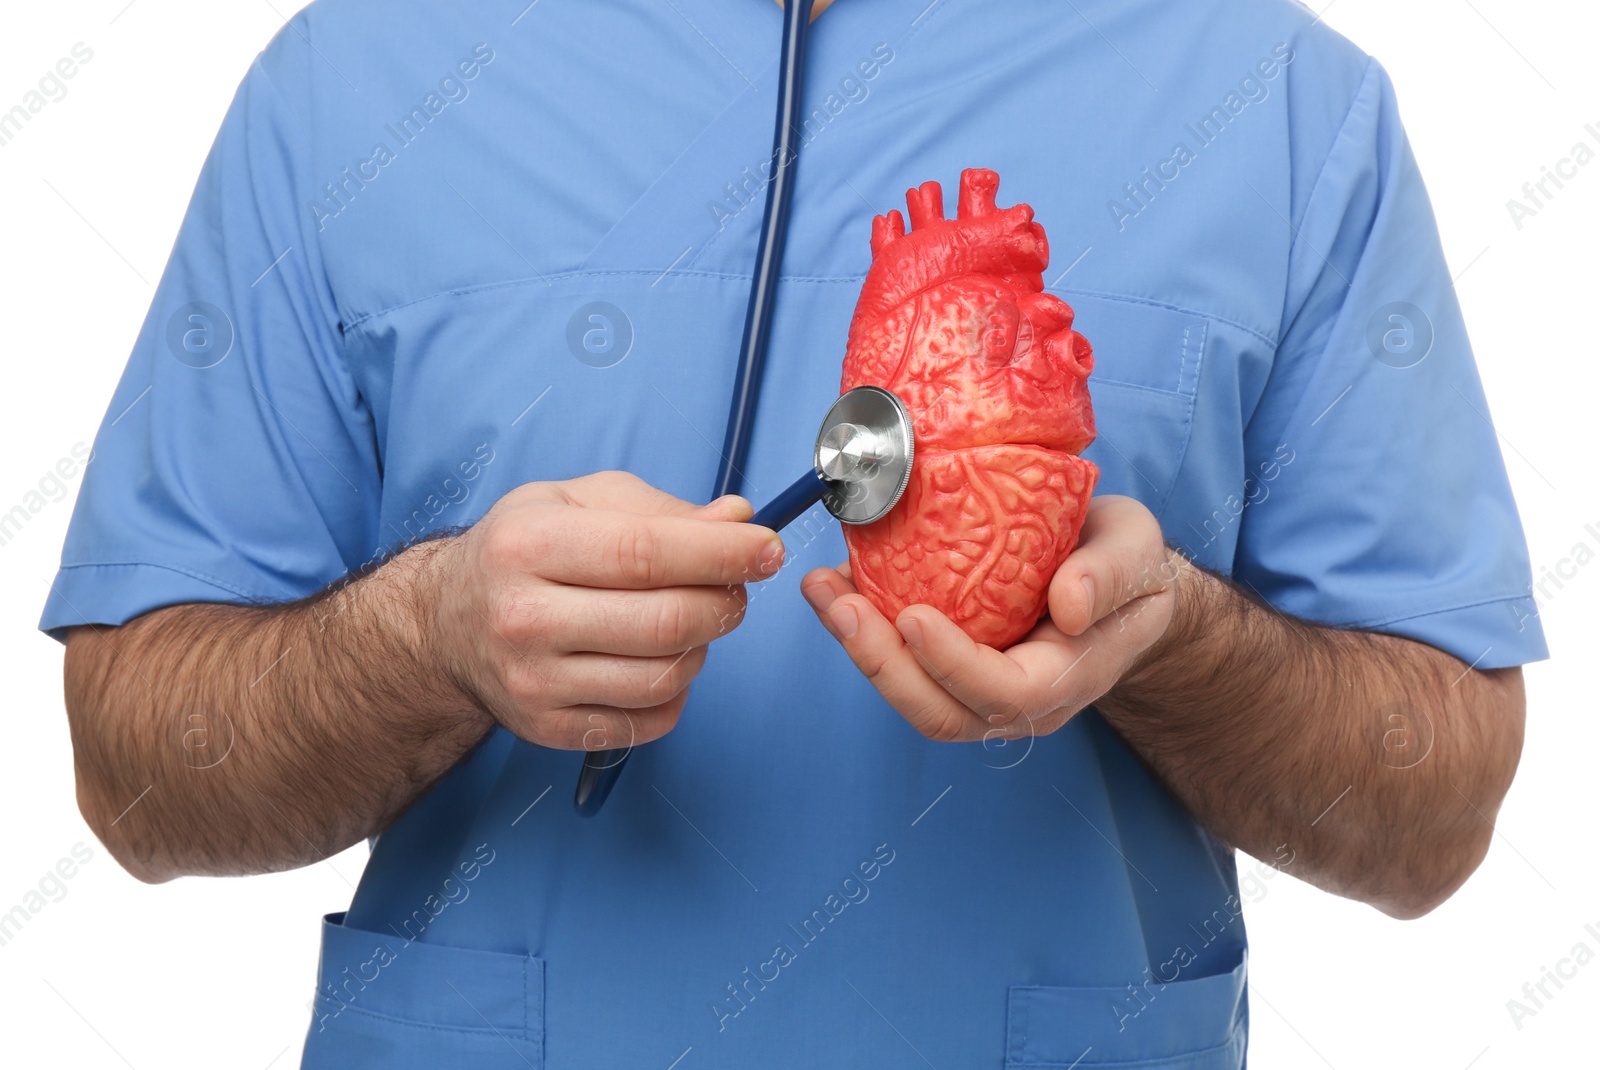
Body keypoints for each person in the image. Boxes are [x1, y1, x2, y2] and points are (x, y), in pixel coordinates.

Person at [43, 0, 1544, 1065]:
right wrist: (427, 637)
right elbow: (134, 772)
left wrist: (1172, 642)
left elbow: (1437, 811)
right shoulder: (350, 83)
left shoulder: (1282, 103)